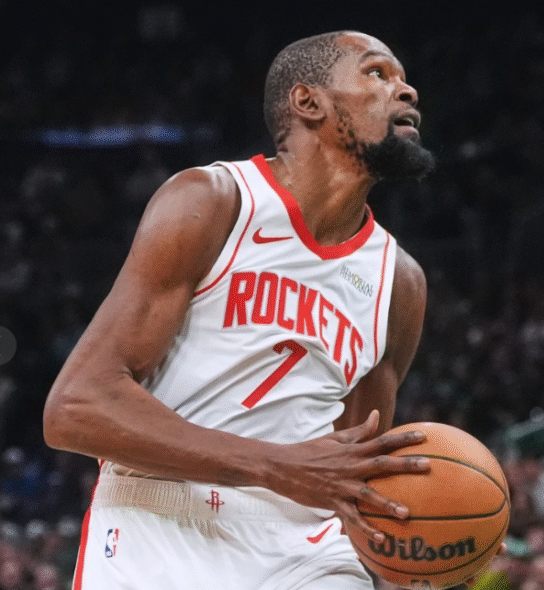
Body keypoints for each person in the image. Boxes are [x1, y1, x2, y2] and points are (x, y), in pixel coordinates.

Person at [43, 31, 438, 590]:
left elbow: (354, 470)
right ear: (308, 102)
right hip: (160, 519)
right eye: (377, 73)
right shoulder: (213, 202)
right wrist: (275, 466)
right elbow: (76, 407)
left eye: (402, 78)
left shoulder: (399, 282)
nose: (406, 90)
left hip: (307, 547)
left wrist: (431, 540)